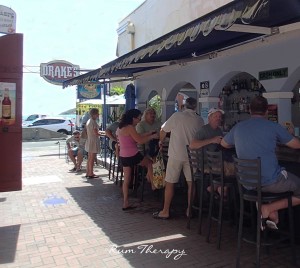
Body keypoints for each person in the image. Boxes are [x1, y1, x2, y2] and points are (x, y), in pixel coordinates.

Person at [221, 96, 300, 227]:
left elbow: (224, 144)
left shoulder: (238, 127)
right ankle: (269, 208)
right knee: (283, 180)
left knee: (270, 180)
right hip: (270, 182)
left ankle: (269, 211)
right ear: (267, 111)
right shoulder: (273, 126)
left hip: (247, 183)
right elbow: (296, 145)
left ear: (249, 110)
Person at [153, 97, 204, 220]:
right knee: (191, 184)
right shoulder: (199, 119)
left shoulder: (177, 116)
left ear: (185, 106)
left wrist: (161, 141)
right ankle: (189, 210)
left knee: (170, 182)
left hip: (176, 154)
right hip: (193, 155)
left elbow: (163, 130)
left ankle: (165, 211)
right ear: (195, 106)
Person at [116, 109, 159, 210]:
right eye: (138, 117)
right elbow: (139, 140)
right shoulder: (130, 127)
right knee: (150, 162)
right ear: (133, 118)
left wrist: (148, 133)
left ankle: (125, 203)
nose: (140, 119)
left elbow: (134, 137)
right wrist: (152, 136)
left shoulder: (121, 127)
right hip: (133, 154)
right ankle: (152, 183)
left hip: (124, 155)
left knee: (126, 180)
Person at [85, 108, 101, 179]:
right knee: (92, 158)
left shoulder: (89, 121)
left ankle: (88, 172)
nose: (98, 115)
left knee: (89, 158)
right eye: (97, 113)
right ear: (94, 114)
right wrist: (102, 134)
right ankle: (90, 173)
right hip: (93, 141)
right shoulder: (93, 122)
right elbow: (96, 133)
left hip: (90, 140)